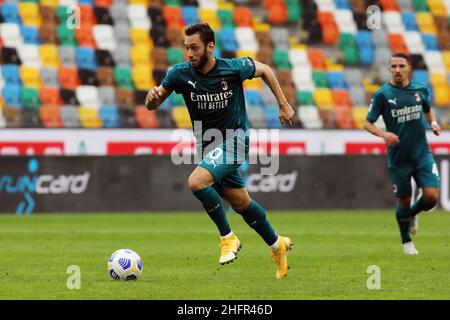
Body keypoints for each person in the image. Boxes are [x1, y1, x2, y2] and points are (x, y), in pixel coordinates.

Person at [145, 23, 295, 278]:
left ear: (210, 47)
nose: (189, 54)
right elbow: (154, 104)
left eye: (194, 48)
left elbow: (266, 70)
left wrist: (282, 104)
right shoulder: (179, 74)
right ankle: (277, 244)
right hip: (208, 147)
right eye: (186, 48)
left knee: (196, 182)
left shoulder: (233, 68)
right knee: (242, 204)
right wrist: (151, 100)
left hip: (236, 140)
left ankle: (228, 238)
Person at [364, 52, 441, 255]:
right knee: (404, 201)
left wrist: (432, 122)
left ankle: (411, 215)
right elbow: (367, 123)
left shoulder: (420, 89)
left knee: (432, 197)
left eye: (401, 66)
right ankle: (406, 242)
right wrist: (383, 133)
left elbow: (427, 109)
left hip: (421, 153)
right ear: (389, 69)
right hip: (399, 157)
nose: (398, 70)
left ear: (408, 68)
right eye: (394, 66)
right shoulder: (383, 94)